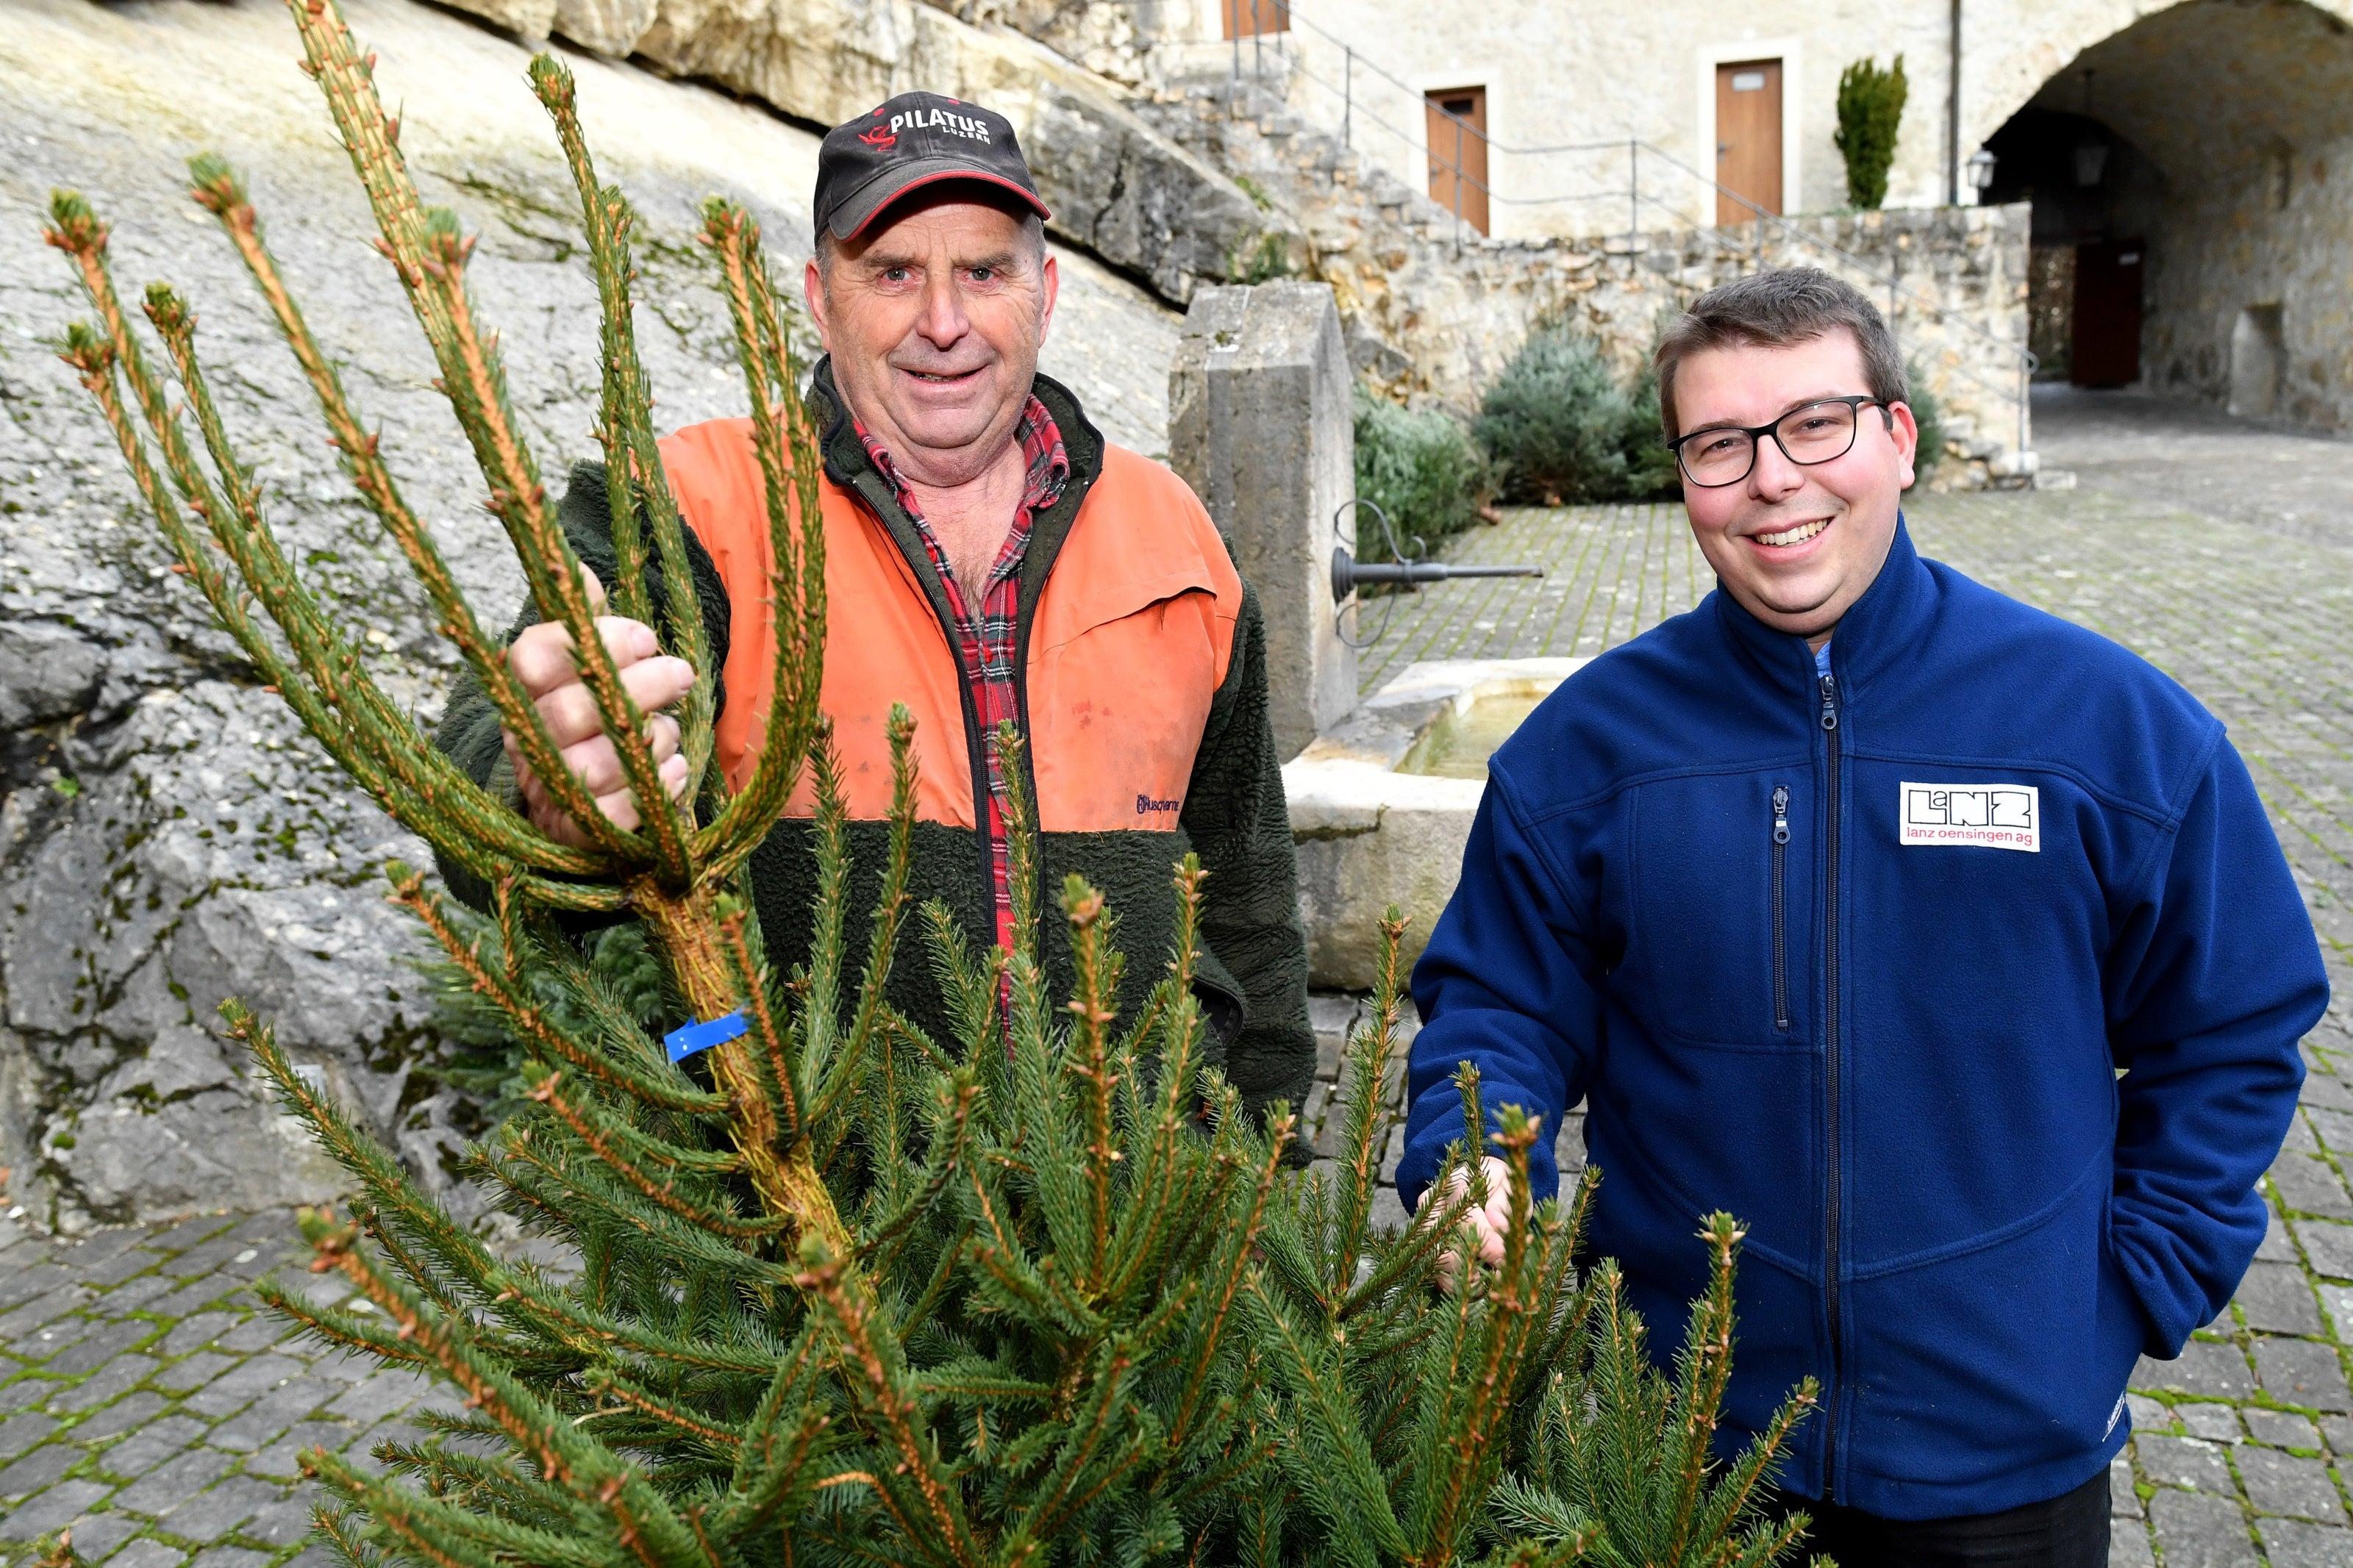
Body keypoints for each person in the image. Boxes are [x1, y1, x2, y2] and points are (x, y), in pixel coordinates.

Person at [1398, 268, 2327, 1565]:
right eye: (1721, 444)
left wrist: (2126, 1289)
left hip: (2002, 1459)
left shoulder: (2110, 729)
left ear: (1899, 437)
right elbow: (1500, 1000)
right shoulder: (1587, 752)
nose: (1773, 478)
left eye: (1816, 424)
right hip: (1687, 1439)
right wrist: (1472, 1151)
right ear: (1684, 478)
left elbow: (2233, 1025)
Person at [432, 91, 1315, 1127]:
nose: (943, 324)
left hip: (1138, 1228)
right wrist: (539, 776)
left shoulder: (1177, 542)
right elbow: (484, 761)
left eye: (984, 271)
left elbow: (1250, 904)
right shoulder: (699, 504)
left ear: (1047, 289)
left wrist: (1270, 1175)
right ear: (820, 296)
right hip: (813, 1222)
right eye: (892, 273)